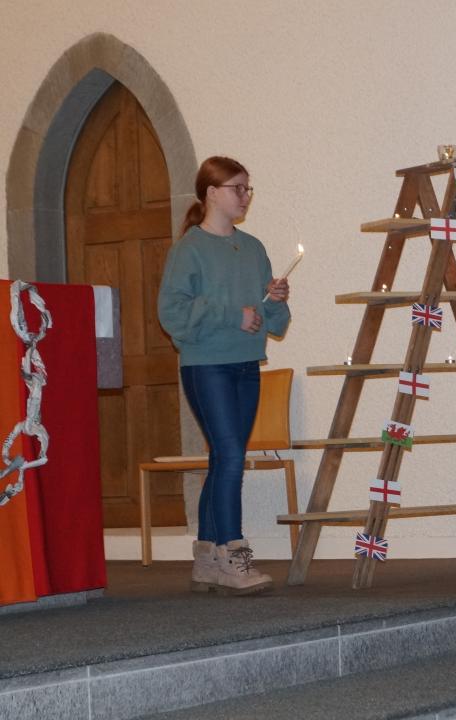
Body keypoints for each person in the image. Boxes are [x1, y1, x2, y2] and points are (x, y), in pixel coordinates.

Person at [158, 156, 291, 595]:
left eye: (248, 188)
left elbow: (273, 320)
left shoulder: (252, 248)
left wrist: (275, 300)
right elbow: (172, 312)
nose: (245, 196)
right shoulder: (189, 249)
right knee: (231, 456)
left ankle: (207, 560)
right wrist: (235, 315)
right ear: (212, 193)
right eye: (238, 188)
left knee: (224, 457)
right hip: (207, 365)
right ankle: (234, 555)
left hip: (246, 364)